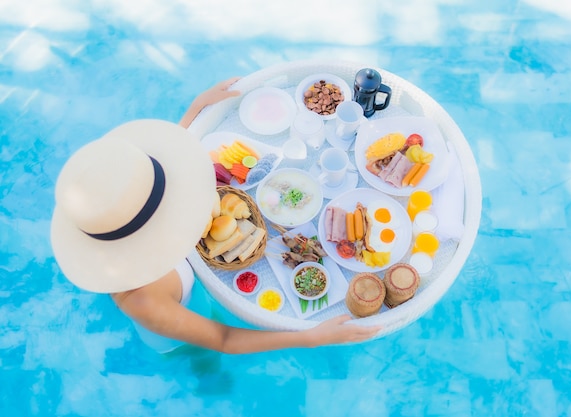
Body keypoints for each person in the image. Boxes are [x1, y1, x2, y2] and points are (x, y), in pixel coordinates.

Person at [50, 77, 382, 354]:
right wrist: (310, 338)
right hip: (170, 327)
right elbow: (223, 338)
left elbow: (151, 177)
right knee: (196, 356)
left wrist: (196, 108)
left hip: (168, 285)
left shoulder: (121, 214)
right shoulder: (144, 301)